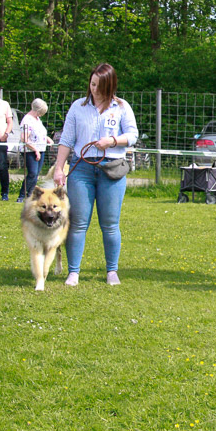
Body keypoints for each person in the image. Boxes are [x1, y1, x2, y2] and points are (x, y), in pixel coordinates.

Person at [52, 64, 138, 287]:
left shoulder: (121, 107)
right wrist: (60, 168)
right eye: (92, 84)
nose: (94, 89)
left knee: (110, 223)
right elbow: (66, 140)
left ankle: (112, 270)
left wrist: (112, 141)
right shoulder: (78, 107)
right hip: (82, 169)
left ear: (110, 86)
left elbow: (132, 135)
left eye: (99, 86)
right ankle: (74, 272)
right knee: (78, 223)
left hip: (112, 169)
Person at [16, 98, 54, 202]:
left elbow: (39, 133)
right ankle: (21, 196)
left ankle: (31, 195)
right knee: (32, 173)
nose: (42, 114)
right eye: (41, 112)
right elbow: (25, 138)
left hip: (41, 149)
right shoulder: (27, 120)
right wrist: (35, 150)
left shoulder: (37, 119)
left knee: (36, 174)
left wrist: (47, 139)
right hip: (30, 151)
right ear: (37, 110)